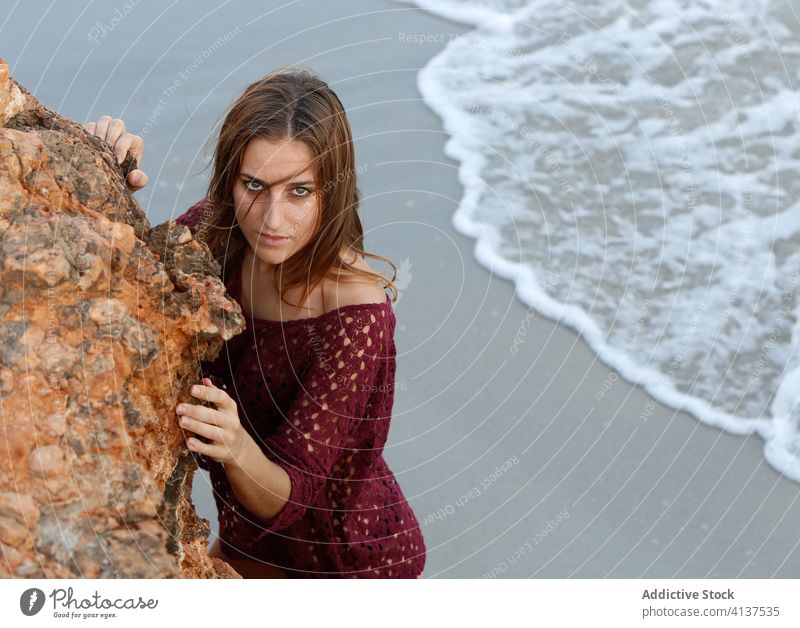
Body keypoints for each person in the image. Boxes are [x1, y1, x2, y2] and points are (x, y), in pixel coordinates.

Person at [84, 66, 426, 578]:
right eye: (254, 185)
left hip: (346, 566)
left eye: (299, 192)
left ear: (333, 188)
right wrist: (103, 172)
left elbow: (289, 498)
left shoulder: (356, 317)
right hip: (245, 545)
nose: (271, 219)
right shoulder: (218, 232)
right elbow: (130, 285)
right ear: (231, 177)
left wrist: (234, 444)